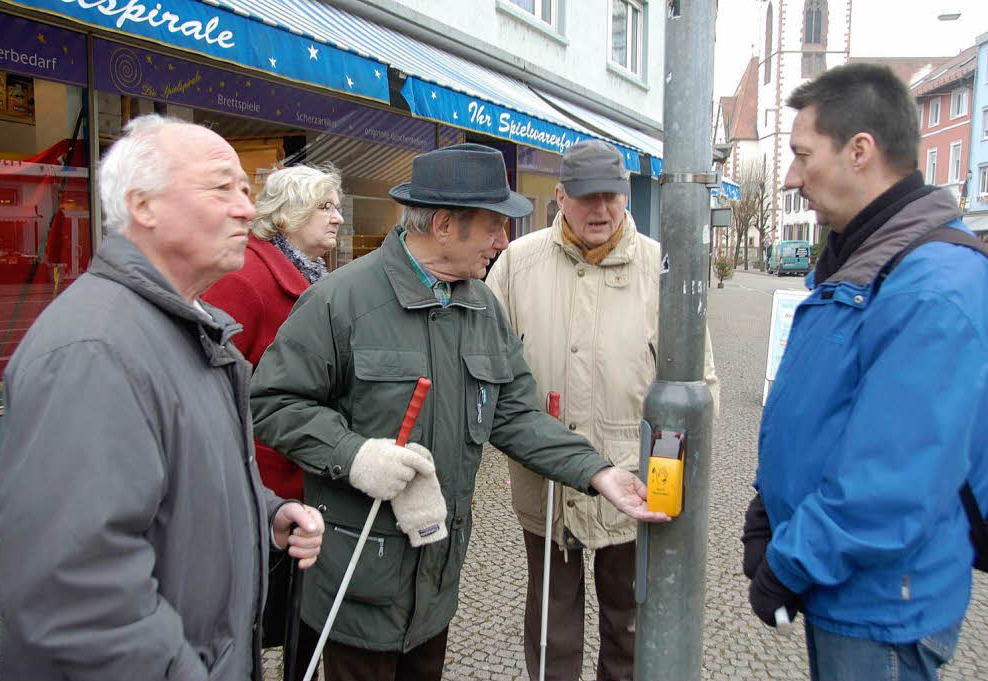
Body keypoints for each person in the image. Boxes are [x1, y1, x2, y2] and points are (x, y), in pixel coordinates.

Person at [250, 143, 671, 681]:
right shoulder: (342, 301)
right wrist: (354, 455)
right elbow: (272, 403)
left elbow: (516, 413)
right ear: (444, 225)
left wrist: (597, 472)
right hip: (357, 579)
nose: (504, 242)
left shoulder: (479, 305)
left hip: (437, 579)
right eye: (494, 226)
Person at [0, 114, 324, 681]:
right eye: (221, 188)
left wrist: (263, 513)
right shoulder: (93, 350)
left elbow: (176, 486)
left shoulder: (190, 328)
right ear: (142, 205)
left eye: (245, 190)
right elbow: (76, 596)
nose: (246, 208)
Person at [743, 63, 988, 681]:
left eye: (802, 155)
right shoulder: (864, 263)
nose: (792, 178)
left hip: (883, 611)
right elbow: (824, 412)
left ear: (860, 151)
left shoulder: (932, 285)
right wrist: (767, 509)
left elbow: (891, 483)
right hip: (852, 592)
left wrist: (789, 562)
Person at [486, 139, 720, 681]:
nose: (601, 210)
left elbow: (697, 387)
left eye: (612, 196)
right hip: (546, 483)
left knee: (629, 625)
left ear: (628, 199)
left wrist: (675, 482)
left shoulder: (661, 269)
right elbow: (488, 367)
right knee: (552, 630)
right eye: (586, 197)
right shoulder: (518, 264)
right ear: (560, 198)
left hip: (636, 487)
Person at [202, 164, 342, 671]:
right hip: (263, 491)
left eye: (336, 206)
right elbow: (214, 385)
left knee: (303, 625)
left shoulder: (316, 277)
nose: (337, 218)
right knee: (254, 626)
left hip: (306, 484)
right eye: (324, 207)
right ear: (287, 215)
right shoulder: (246, 277)